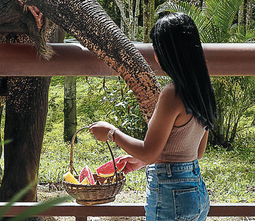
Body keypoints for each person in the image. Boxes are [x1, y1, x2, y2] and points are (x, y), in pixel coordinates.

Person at [89, 12, 217, 221]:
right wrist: (146, 160)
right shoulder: (203, 90)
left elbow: (149, 152)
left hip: (170, 195)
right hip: (196, 192)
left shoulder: (171, 94)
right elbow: (196, 152)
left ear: (166, 53)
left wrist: (111, 132)